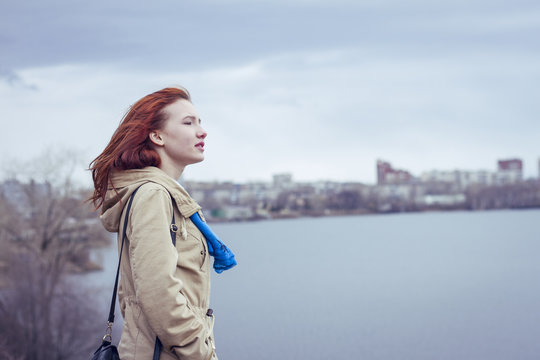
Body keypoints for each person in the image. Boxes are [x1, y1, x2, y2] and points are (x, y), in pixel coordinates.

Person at [89, 87, 235, 360]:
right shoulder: (153, 195)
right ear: (157, 136)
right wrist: (200, 351)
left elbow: (137, 290)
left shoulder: (159, 193)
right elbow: (157, 292)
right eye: (188, 122)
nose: (202, 131)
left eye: (200, 122)